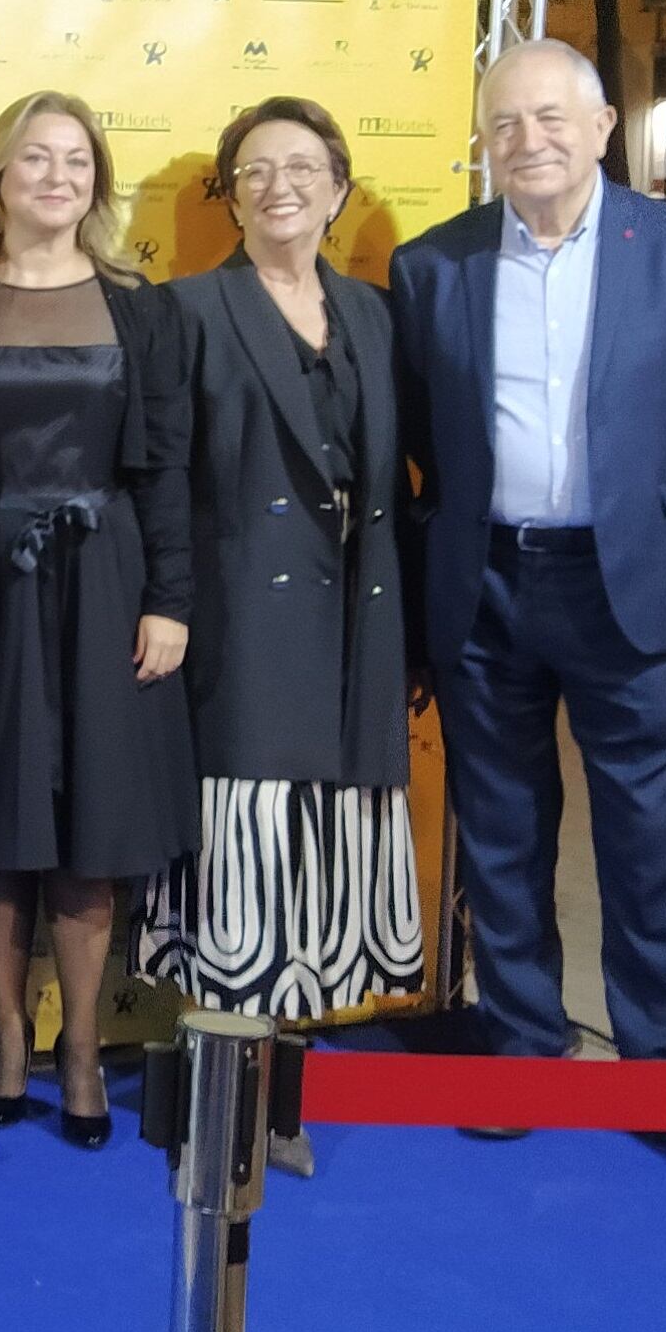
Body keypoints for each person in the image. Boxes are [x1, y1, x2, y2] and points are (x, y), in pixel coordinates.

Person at [390, 40, 666, 1185]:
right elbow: (423, 435)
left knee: (646, 841)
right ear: (485, 142)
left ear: (604, 127)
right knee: (501, 836)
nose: (529, 141)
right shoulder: (432, 265)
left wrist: (639, 516)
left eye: (552, 118)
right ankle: (523, 1056)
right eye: (505, 124)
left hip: (632, 593)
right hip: (489, 583)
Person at [0, 93, 198, 1150]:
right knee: (5, 819)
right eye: (38, 157)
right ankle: (6, 1041)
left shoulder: (142, 307)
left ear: (97, 182)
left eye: (77, 160)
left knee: (91, 824)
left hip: (108, 581)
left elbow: (165, 466)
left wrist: (170, 599)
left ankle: (80, 1048)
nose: (58, 176)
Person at [138, 96, 423, 1175]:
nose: (280, 187)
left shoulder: (374, 314)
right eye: (255, 170)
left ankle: (283, 1100)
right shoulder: (187, 310)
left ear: (340, 188)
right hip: (241, 623)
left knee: (320, 863)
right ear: (228, 194)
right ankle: (217, 1118)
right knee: (245, 862)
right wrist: (168, 602)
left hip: (356, 622)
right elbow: (160, 476)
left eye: (302, 167)